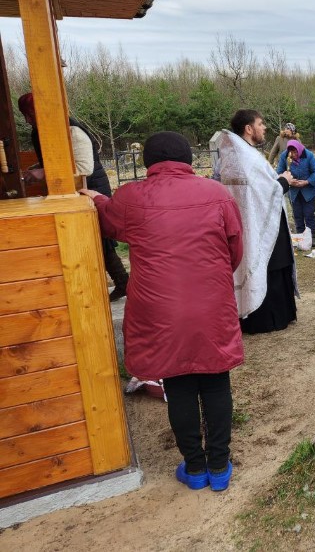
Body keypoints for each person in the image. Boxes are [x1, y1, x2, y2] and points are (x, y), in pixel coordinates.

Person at [80, 132, 243, 492]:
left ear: (148, 162)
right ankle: (219, 467)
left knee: (178, 381)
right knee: (216, 380)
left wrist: (98, 198)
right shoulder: (217, 193)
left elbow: (109, 221)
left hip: (159, 308)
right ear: (188, 159)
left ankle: (195, 468)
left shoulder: (132, 197)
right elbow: (235, 249)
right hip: (211, 302)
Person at [17, 92, 130, 301]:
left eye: (30, 114)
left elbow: (84, 168)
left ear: (43, 111)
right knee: (91, 238)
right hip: (71, 189)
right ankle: (122, 282)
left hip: (91, 187)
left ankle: (122, 283)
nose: (27, 120)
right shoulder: (41, 131)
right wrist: (35, 169)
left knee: (99, 237)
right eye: (25, 115)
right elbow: (57, 158)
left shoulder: (73, 131)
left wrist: (44, 173)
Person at [216, 109, 297, 334]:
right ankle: (267, 319)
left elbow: (258, 186)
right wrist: (284, 181)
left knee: (275, 263)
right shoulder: (245, 155)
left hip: (259, 217)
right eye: (260, 124)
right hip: (257, 219)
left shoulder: (240, 152)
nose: (264, 128)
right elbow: (262, 192)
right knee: (268, 262)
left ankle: (280, 313)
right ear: (249, 128)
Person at [276, 139, 315, 247]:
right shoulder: (284, 156)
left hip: (309, 190)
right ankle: (300, 237)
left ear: (299, 150)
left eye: (295, 152)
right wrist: (289, 181)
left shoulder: (308, 155)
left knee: (309, 213)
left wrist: (306, 182)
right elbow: (279, 172)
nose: (293, 154)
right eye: (291, 152)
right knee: (297, 214)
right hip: (293, 190)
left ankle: (312, 236)